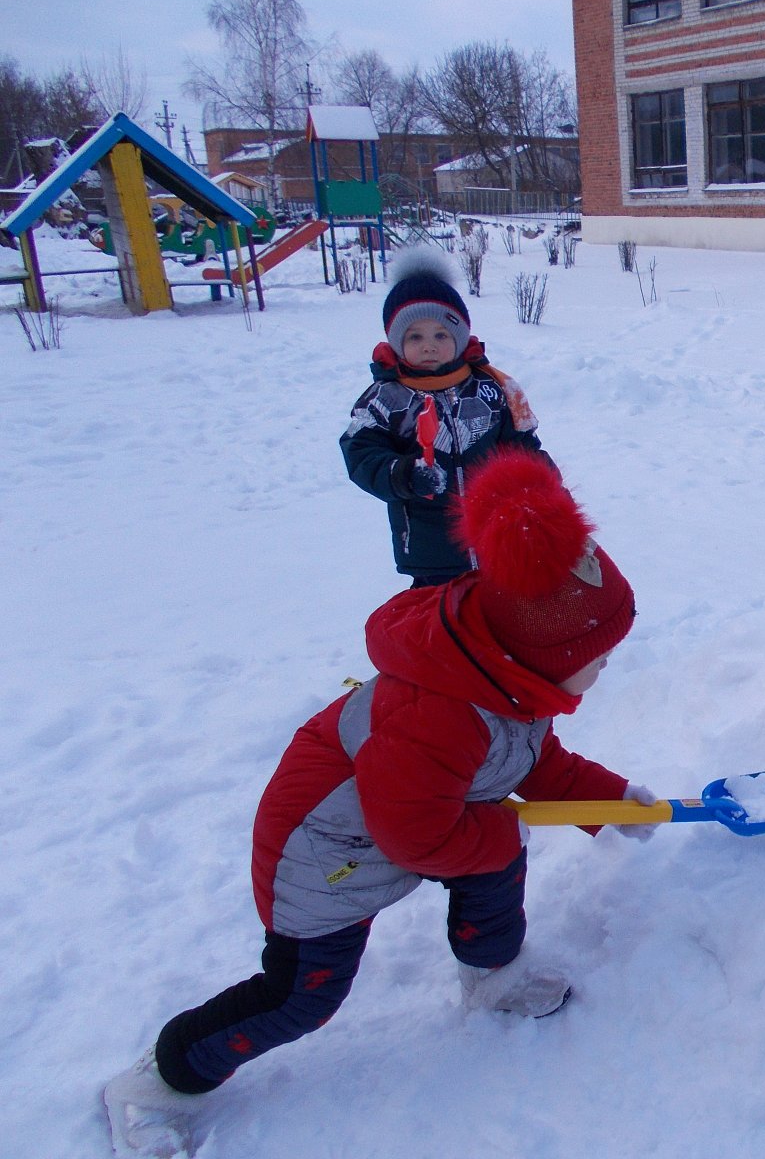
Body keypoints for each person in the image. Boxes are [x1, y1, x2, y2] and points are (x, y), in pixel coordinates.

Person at [104, 449, 654, 1159]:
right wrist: (498, 830)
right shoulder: (443, 712)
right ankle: (160, 1082)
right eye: (599, 656)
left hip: (405, 819)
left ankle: (494, 978)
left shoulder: (505, 676)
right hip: (322, 855)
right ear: (544, 652)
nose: (607, 666)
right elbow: (416, 835)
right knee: (302, 997)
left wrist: (611, 800)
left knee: (493, 855)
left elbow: (531, 761)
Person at [342, 246, 553, 587]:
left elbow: (521, 448)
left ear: (459, 337)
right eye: (415, 336)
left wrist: (546, 487)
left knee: (501, 611)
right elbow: (362, 455)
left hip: (499, 537)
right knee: (444, 617)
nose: (429, 345)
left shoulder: (489, 389)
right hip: (431, 551)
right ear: (396, 342)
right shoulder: (385, 399)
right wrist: (405, 475)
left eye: (441, 334)